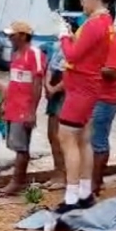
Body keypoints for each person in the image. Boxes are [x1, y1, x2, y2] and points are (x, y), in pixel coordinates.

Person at [55, 0, 116, 212]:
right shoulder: (104, 22)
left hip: (81, 89)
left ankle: (71, 198)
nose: (81, 2)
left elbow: (72, 55)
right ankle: (84, 191)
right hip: (88, 87)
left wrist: (63, 36)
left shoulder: (94, 24)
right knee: (83, 140)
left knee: (67, 139)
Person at [0, 21, 44, 197]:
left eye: (12, 35)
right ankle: (17, 180)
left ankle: (16, 182)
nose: (9, 38)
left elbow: (38, 84)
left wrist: (32, 112)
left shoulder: (34, 54)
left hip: (24, 108)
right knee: (15, 145)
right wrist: (1, 103)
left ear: (22, 35)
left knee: (21, 147)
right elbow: (13, 83)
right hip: (13, 106)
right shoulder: (15, 55)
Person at [90, 25, 116, 195]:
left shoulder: (115, 42)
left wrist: (88, 67)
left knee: (98, 142)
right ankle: (95, 180)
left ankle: (95, 184)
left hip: (105, 99)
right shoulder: (98, 42)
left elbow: (112, 72)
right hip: (93, 97)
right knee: (91, 141)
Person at [42, 38, 68, 191]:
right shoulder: (58, 47)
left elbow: (72, 74)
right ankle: (57, 172)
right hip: (54, 90)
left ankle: (64, 175)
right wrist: (48, 86)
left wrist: (55, 88)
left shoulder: (77, 48)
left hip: (66, 92)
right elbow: (50, 68)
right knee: (52, 135)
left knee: (61, 137)